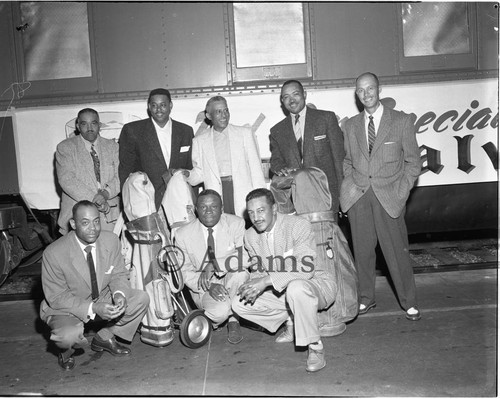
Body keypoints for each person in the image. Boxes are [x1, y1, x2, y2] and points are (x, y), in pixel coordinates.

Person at [340, 72, 422, 321]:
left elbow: (413, 163)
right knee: (362, 252)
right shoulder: (351, 125)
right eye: (361, 90)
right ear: (357, 94)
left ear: (379, 89)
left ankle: (409, 302)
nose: (366, 94)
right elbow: (347, 161)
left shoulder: (401, 121)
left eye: (370, 89)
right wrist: (350, 186)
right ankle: (366, 298)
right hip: (359, 197)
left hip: (389, 197)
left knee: (397, 252)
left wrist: (401, 192)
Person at [232, 189, 336, 372]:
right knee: (238, 304)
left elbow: (306, 269)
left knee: (296, 288)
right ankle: (292, 320)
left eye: (261, 210)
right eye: (251, 213)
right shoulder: (250, 235)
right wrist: (252, 284)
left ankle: (315, 346)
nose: (256, 217)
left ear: (274, 208)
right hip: (282, 290)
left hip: (316, 283)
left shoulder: (297, 225)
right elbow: (259, 272)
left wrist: (264, 281)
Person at [40, 201, 149, 370]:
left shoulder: (110, 240)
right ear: (73, 224)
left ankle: (104, 337)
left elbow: (118, 273)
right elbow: (57, 297)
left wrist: (119, 294)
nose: (93, 228)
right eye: (85, 223)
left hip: (101, 296)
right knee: (68, 336)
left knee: (140, 298)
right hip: (66, 306)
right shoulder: (54, 253)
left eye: (96, 221)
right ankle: (65, 352)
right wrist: (94, 307)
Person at [175, 190, 249, 344]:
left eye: (214, 207)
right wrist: (209, 286)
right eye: (203, 207)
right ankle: (227, 313)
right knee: (219, 313)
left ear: (222, 209)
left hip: (231, 278)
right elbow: (184, 270)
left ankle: (234, 320)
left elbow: (246, 256)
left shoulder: (236, 223)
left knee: (240, 272)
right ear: (196, 209)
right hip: (202, 286)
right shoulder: (182, 234)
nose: (208, 212)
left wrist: (215, 264)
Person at [269, 80, 344, 221]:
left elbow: (339, 161)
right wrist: (281, 169)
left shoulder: (326, 119)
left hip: (326, 197)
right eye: (286, 97)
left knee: (328, 241)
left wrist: (341, 197)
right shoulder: (277, 131)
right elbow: (276, 161)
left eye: (295, 94)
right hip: (295, 201)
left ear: (304, 94)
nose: (291, 100)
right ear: (282, 101)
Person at [187, 96, 266, 218]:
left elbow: (256, 169)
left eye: (226, 110)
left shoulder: (245, 133)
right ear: (208, 116)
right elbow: (199, 174)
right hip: (217, 194)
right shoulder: (199, 141)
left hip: (242, 192)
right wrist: (187, 175)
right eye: (218, 112)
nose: (224, 115)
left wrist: (262, 198)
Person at [118, 88, 194, 210]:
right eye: (154, 105)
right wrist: (129, 202)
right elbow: (125, 169)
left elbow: (190, 168)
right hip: (145, 203)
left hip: (180, 201)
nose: (158, 109)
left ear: (170, 105)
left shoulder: (186, 131)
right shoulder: (132, 130)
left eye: (163, 105)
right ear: (149, 107)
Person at [56, 108, 120, 235]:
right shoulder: (65, 147)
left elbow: (120, 176)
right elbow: (67, 179)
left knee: (108, 251)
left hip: (109, 216)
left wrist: (105, 194)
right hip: (77, 215)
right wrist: (95, 199)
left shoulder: (113, 147)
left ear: (100, 125)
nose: (89, 128)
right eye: (84, 124)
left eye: (94, 123)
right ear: (78, 126)